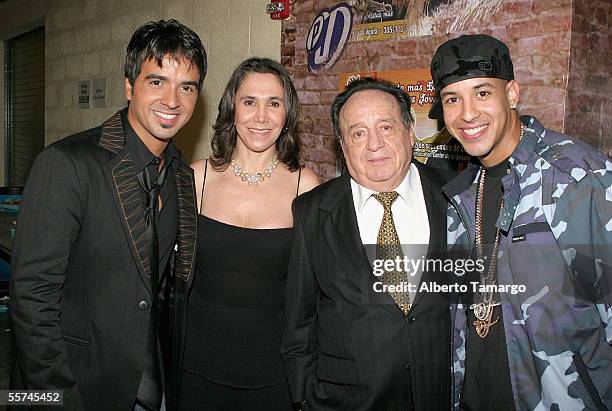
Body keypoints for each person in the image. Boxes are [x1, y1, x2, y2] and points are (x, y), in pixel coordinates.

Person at [9, 19, 206, 411]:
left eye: (187, 86)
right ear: (129, 86)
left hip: (155, 386)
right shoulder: (66, 164)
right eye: (157, 82)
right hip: (75, 387)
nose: (172, 100)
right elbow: (31, 300)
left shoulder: (181, 174)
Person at [429, 34, 612, 410]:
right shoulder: (460, 195)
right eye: (452, 99)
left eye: (481, 93)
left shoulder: (576, 178)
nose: (467, 114)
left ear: (511, 94)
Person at [281, 77, 455, 410]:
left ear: (409, 131)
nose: (373, 145)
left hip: (441, 396)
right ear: (343, 147)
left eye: (386, 128)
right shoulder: (313, 212)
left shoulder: (457, 195)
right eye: (358, 133)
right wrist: (304, 399)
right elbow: (298, 326)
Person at [171, 57, 318, 410]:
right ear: (231, 108)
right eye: (249, 102)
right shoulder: (195, 179)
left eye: (274, 103)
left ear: (288, 114)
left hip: (274, 374)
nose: (261, 117)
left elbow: (314, 290)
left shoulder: (305, 185)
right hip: (195, 367)